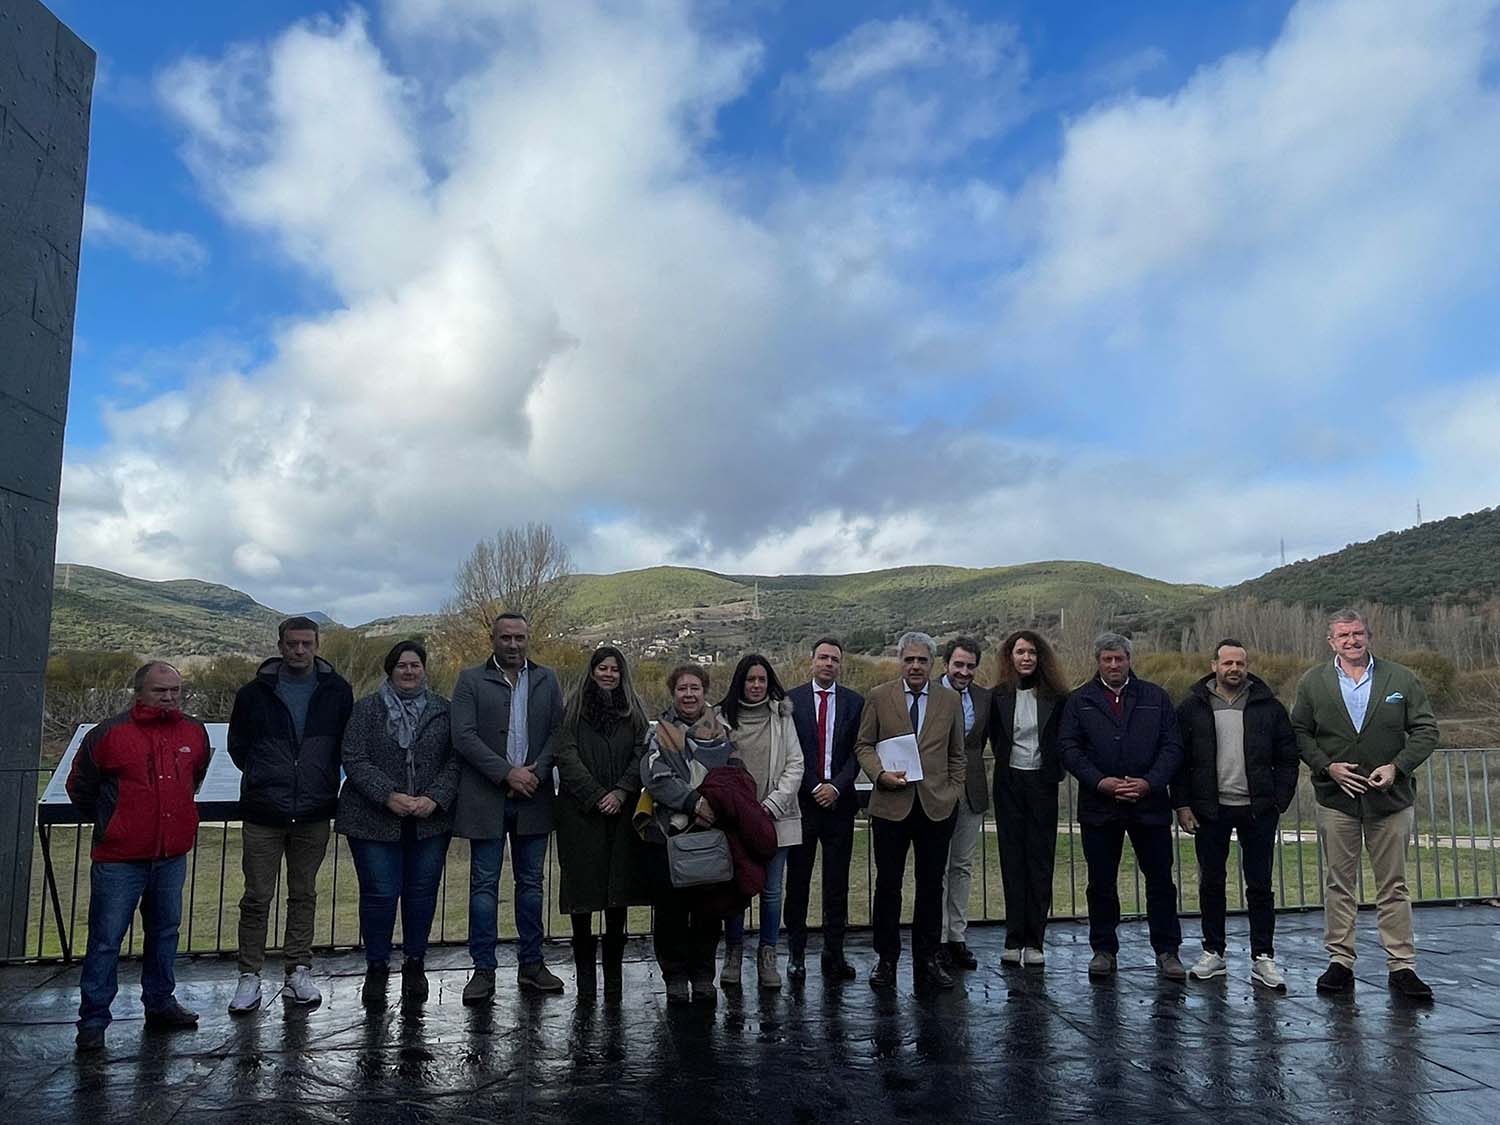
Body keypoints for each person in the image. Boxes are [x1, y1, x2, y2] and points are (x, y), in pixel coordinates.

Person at [1292, 609, 1440, 1000]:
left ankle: (1402, 966)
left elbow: (1426, 730)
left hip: (1390, 799)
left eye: (1358, 633)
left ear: (1369, 636)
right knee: (1339, 884)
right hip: (1336, 800)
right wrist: (1327, 767)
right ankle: (1340, 961)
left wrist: (1398, 766)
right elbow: (1300, 733)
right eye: (1343, 635)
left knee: (1393, 885)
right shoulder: (1313, 682)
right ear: (1331, 641)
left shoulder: (1401, 678)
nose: (1352, 641)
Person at [67, 662, 211, 1053]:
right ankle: (93, 1020)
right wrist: (114, 823)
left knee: (165, 933)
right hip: (119, 858)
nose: (168, 698)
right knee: (106, 940)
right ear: (139, 693)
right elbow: (80, 786)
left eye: (175, 691)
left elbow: (194, 777)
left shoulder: (194, 733)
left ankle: (160, 1003)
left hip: (170, 856)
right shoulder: (108, 734)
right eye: (160, 691)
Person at [227, 616, 353, 1013]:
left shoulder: (337, 691)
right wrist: (268, 775)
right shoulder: (253, 694)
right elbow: (238, 748)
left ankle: (298, 968)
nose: (300, 650)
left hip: (314, 810)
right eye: (292, 644)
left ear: (317, 645)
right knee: (256, 896)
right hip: (264, 810)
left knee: (304, 894)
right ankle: (250, 974)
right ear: (280, 645)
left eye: (307, 644)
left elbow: (344, 746)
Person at [335, 640, 460, 1009]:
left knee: (422, 895)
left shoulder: (443, 710)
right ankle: (376, 966)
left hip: (429, 821)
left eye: (415, 665)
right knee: (379, 895)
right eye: (402, 665)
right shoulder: (366, 710)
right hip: (373, 819)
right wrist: (388, 795)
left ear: (424, 669)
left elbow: (455, 760)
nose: (409, 671)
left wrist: (434, 798)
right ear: (390, 670)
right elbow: (354, 758)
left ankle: (415, 963)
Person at [451, 612, 566, 1000]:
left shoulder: (547, 679)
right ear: (493, 639)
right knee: (483, 886)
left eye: (519, 638)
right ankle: (483, 970)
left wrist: (537, 771)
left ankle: (532, 966)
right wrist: (506, 774)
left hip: (534, 798)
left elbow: (556, 731)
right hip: (486, 798)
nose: (513, 645)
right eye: (506, 638)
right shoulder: (470, 680)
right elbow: (463, 736)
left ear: (528, 638)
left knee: (532, 886)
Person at [1173, 640, 1299, 990]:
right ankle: (1213, 952)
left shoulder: (1269, 706)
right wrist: (1182, 805)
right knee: (1211, 883)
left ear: (1247, 666)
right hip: (1209, 809)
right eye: (1227, 662)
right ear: (1214, 665)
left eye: (1240, 663)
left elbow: (1288, 756)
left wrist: (1279, 800)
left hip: (1258, 808)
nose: (1234, 668)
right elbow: (1179, 761)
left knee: (1260, 885)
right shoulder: (1191, 708)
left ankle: (1263, 957)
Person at [1059, 633, 1185, 981]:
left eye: (1120, 658)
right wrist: (1100, 782)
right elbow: (1069, 748)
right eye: (1107, 659)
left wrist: (1149, 783)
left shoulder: (1156, 697)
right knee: (1101, 883)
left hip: (1150, 805)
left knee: (1160, 881)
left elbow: (1173, 747)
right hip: (1100, 807)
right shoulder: (1079, 700)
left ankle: (1167, 951)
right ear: (1097, 661)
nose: (1114, 665)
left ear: (1130, 659)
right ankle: (1103, 949)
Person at [855, 631, 966, 990]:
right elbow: (864, 744)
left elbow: (957, 755)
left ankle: (928, 959)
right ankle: (886, 960)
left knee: (932, 887)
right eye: (909, 659)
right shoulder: (878, 696)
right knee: (888, 886)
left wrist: (952, 793)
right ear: (899, 660)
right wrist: (879, 774)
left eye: (922, 660)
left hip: (936, 807)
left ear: (932, 663)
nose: (915, 665)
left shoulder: (950, 700)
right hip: (890, 806)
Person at [550, 646, 652, 1000]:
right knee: (583, 896)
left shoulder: (634, 713)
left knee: (617, 896)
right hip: (581, 815)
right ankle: (585, 979)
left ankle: (613, 979)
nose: (608, 674)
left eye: (614, 669)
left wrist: (622, 792)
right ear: (591, 671)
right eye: (602, 668)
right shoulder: (572, 712)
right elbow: (566, 756)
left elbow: (642, 754)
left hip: (622, 815)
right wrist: (596, 795)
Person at [638, 665, 739, 1005]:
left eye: (695, 688)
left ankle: (702, 973)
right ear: (673, 693)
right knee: (671, 911)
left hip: (712, 834)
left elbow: (733, 774)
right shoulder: (659, 734)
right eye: (682, 688)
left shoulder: (723, 732)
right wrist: (695, 801)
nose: (689, 694)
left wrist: (716, 805)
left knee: (709, 911)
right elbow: (656, 777)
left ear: (705, 691)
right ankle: (675, 974)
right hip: (670, 836)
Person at [718, 654, 803, 991]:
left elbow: (795, 764)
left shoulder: (783, 716)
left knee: (771, 892)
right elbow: (713, 766)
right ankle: (734, 952)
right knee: (736, 889)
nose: (755, 686)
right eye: (750, 680)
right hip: (735, 820)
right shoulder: (722, 717)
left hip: (775, 817)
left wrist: (770, 806)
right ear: (740, 681)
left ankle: (768, 954)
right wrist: (738, 811)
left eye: (761, 680)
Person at [784, 637, 865, 982]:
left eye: (834, 658)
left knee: (837, 884)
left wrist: (837, 786)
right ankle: (797, 954)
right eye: (823, 657)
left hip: (840, 804)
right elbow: (789, 751)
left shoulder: (855, 702)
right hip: (803, 804)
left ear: (840, 664)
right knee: (798, 882)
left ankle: (834, 952)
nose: (828, 663)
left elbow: (859, 750)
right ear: (812, 661)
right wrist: (814, 785)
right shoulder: (791, 701)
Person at [989, 630, 1069, 967]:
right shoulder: (997, 697)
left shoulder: (1058, 697)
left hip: (1043, 785)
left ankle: (1035, 940)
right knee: (1012, 862)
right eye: (1020, 652)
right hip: (1009, 785)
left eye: (1032, 652)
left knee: (1040, 862)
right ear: (1009, 657)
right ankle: (1013, 937)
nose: (1026, 658)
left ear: (1041, 658)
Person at [937, 636, 992, 971]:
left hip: (971, 792)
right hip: (935, 792)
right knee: (937, 868)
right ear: (946, 664)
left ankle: (958, 937)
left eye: (970, 666)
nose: (964, 671)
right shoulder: (927, 693)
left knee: (962, 867)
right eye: (958, 665)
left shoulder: (984, 699)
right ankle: (938, 938)